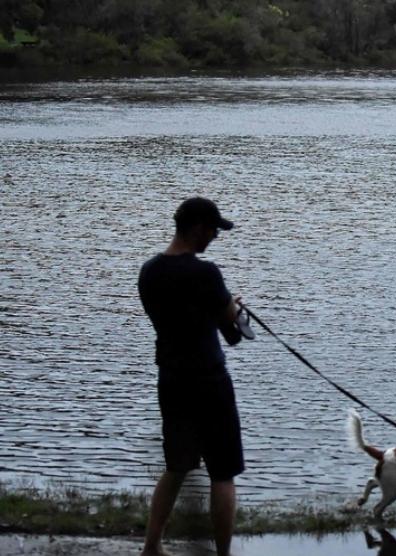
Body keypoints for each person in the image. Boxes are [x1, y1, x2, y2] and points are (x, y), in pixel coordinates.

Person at [138, 197, 246, 556]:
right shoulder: (206, 274)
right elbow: (233, 328)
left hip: (171, 379)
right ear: (198, 228)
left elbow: (184, 316)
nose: (215, 236)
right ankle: (224, 554)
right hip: (210, 381)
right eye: (213, 230)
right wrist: (233, 307)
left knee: (177, 467)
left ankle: (152, 546)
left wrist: (220, 308)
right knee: (223, 472)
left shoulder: (149, 272)